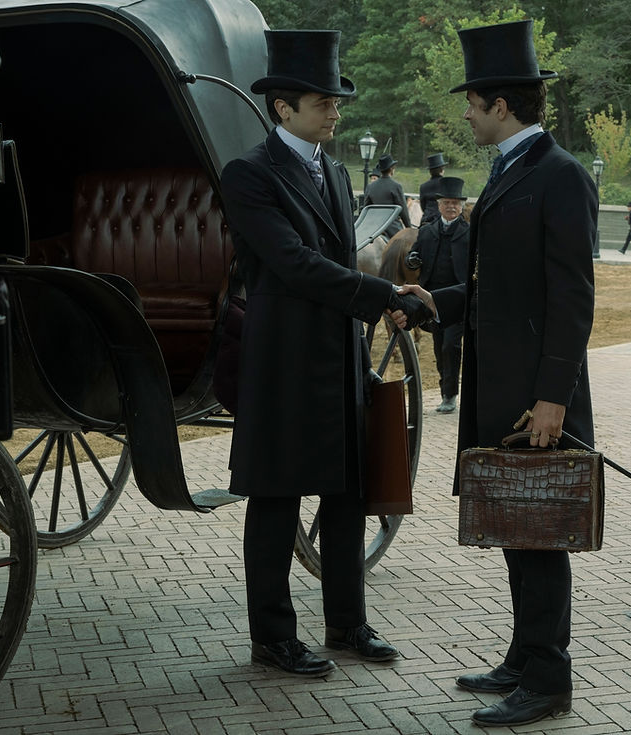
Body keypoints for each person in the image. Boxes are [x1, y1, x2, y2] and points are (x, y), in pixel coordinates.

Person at [399, 19, 595, 728]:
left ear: (501, 107)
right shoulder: (513, 170)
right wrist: (433, 302)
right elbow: (495, 286)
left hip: (535, 396)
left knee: (539, 530)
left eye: (472, 103)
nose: (466, 114)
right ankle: (523, 655)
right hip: (502, 385)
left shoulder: (560, 177)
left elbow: (572, 298)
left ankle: (549, 679)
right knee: (519, 524)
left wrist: (553, 397)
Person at [219, 30, 428, 678]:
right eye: (323, 100)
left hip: (338, 356)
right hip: (282, 360)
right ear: (283, 107)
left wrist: (387, 300)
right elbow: (293, 265)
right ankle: (272, 637)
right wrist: (382, 289)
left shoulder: (336, 172)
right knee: (276, 497)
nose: (336, 110)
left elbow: (336, 261)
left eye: (337, 99)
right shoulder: (248, 175)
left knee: (346, 493)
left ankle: (347, 623)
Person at [407, 176, 468, 413]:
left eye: (455, 203)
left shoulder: (470, 233)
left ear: (461, 207)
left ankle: (450, 395)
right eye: (447, 203)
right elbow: (413, 256)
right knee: (438, 345)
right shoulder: (427, 232)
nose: (451, 206)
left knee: (451, 346)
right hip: (432, 300)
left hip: (458, 300)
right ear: (439, 205)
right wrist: (411, 260)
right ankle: (445, 389)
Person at [364, 152, 412, 238]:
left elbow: (366, 208)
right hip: (392, 228)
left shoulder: (370, 187)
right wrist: (409, 228)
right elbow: (403, 211)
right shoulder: (396, 186)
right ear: (391, 168)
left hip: (374, 227)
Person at [418, 152, 447, 226]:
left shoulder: (423, 186)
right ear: (442, 169)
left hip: (427, 220)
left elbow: (423, 207)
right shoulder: (447, 184)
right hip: (442, 220)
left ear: (430, 171)